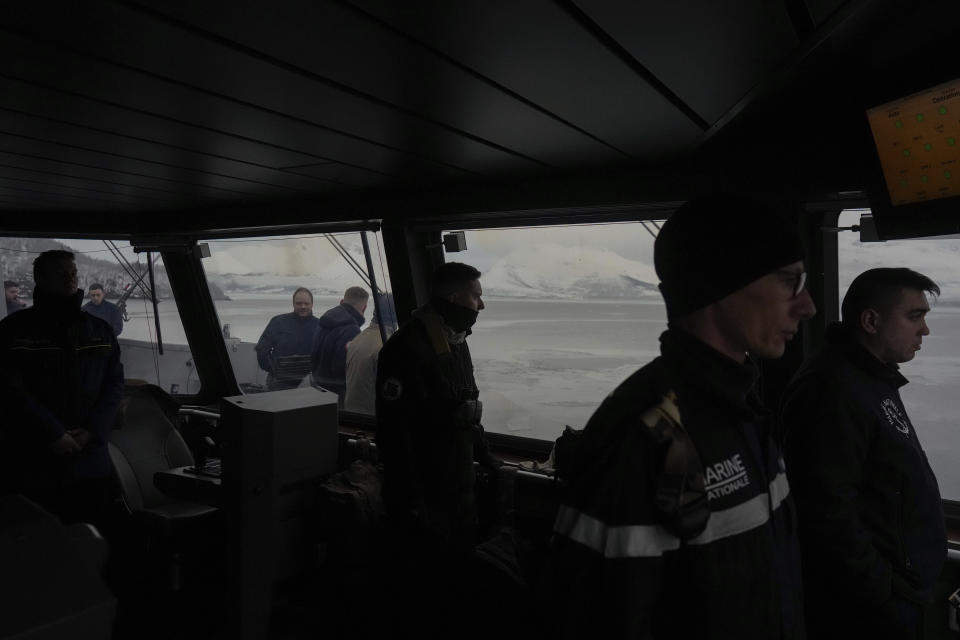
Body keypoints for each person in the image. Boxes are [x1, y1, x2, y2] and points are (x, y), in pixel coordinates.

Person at [547, 194, 815, 639]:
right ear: (719, 285)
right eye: (790, 281)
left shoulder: (743, 406)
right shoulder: (650, 431)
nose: (807, 306)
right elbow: (596, 616)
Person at [781, 268, 945, 639]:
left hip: (897, 593)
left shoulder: (872, 377)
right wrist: (884, 594)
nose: (925, 330)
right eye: (914, 316)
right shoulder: (831, 388)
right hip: (869, 609)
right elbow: (827, 513)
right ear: (871, 320)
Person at [375, 262, 501, 632]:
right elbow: (395, 434)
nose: (481, 305)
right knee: (422, 596)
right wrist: (414, 506)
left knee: (453, 590)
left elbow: (464, 411)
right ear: (452, 297)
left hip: (457, 490)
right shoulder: (406, 349)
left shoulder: (453, 343)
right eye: (476, 295)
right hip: (424, 499)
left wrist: (490, 463)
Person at [0, 250, 124, 527]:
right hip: (33, 463)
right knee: (39, 549)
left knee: (93, 546)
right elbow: (8, 390)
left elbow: (114, 385)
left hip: (91, 461)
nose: (70, 278)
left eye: (73, 272)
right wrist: (52, 433)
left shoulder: (100, 330)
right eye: (60, 272)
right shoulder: (12, 331)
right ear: (39, 279)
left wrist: (93, 429)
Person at [254, 287, 320, 390]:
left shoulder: (319, 325)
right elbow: (262, 349)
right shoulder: (278, 322)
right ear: (293, 304)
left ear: (312, 304)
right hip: (278, 382)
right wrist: (274, 370)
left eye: (306, 304)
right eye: (299, 303)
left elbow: (324, 353)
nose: (303, 306)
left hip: (309, 382)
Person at [310, 286, 368, 401]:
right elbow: (342, 366)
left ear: (341, 302)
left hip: (318, 384)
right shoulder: (352, 330)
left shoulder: (324, 321)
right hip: (337, 392)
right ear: (364, 308)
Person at [343, 293, 397, 414]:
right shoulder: (387, 345)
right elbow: (392, 391)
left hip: (352, 412)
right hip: (373, 418)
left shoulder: (358, 339)